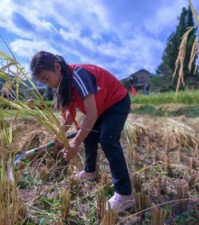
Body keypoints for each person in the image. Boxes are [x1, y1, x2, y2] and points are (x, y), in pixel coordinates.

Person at [30, 51, 135, 213]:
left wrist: (75, 142)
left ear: (57, 67)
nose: (48, 83)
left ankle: (125, 194)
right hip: (101, 107)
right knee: (89, 134)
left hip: (116, 101)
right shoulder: (62, 85)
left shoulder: (78, 75)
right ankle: (89, 170)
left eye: (46, 78)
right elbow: (69, 117)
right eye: (42, 81)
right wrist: (60, 135)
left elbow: (91, 114)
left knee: (108, 140)